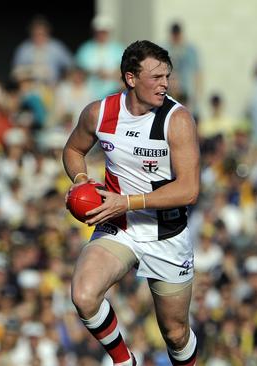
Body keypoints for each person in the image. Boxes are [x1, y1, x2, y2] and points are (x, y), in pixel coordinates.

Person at [62, 40, 200, 366]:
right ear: (131, 78)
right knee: (83, 296)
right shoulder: (99, 112)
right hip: (118, 226)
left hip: (165, 233)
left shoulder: (177, 120)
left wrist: (127, 202)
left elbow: (189, 190)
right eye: (156, 77)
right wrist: (82, 180)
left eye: (167, 76)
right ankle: (125, 362)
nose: (164, 83)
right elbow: (73, 150)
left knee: (175, 333)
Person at [12, 15, 73, 85]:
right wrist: (31, 72)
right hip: (30, 88)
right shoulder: (24, 49)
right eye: (36, 34)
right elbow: (15, 73)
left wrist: (62, 82)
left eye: (42, 34)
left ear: (47, 33)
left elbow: (71, 67)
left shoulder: (56, 48)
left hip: (52, 87)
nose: (39, 37)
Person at [75, 15, 126, 99]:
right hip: (89, 92)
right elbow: (77, 72)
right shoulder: (85, 49)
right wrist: (94, 73)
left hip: (114, 91)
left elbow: (125, 71)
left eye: (104, 32)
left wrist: (111, 75)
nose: (101, 34)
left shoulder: (118, 49)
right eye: (99, 32)